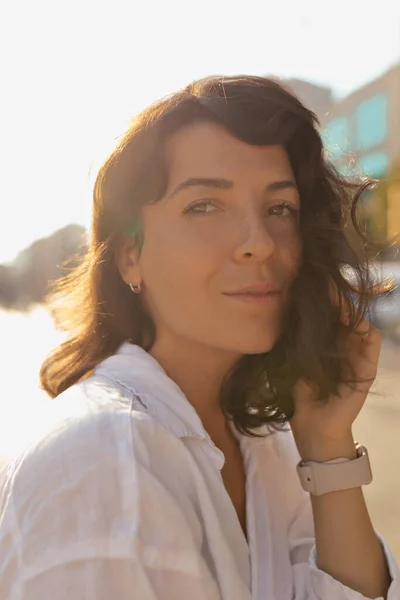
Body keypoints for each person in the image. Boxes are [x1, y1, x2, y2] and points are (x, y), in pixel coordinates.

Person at [0, 75, 399, 600]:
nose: (259, 243)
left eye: (280, 208)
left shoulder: (265, 444)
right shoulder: (102, 462)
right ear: (129, 256)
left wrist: (326, 443)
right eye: (204, 206)